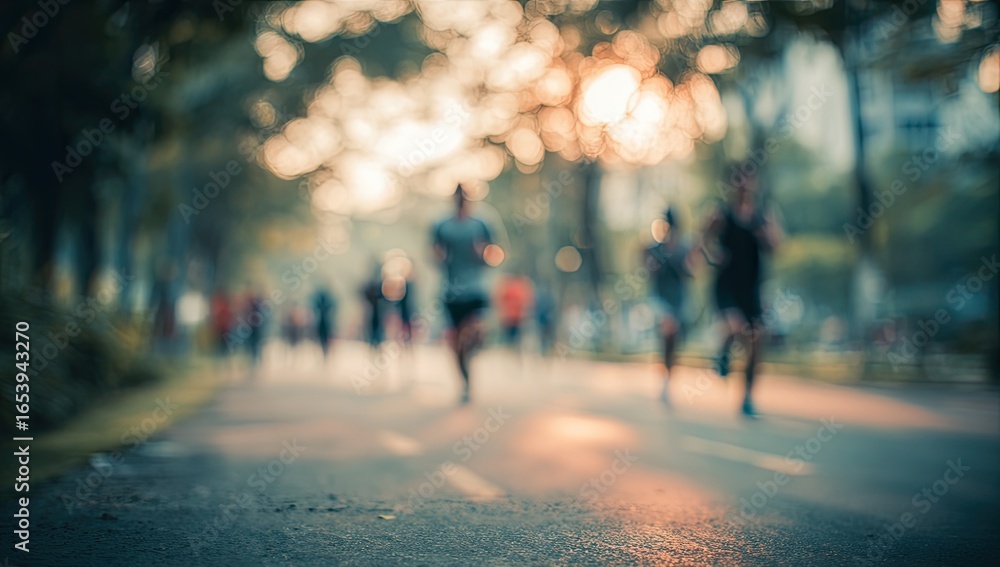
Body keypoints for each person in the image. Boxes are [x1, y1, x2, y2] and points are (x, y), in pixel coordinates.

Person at [700, 173, 782, 418]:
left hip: (752, 288)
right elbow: (703, 239)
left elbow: (778, 247)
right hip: (726, 287)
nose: (744, 185)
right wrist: (712, 255)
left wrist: (767, 237)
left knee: (756, 343)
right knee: (735, 328)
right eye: (739, 180)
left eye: (748, 180)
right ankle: (723, 355)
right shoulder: (721, 214)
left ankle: (747, 398)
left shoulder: (763, 215)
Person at [432, 185, 496, 403]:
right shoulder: (442, 226)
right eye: (457, 196)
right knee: (456, 344)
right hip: (451, 291)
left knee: (475, 330)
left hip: (475, 288)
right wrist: (440, 257)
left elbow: (494, 254)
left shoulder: (481, 225)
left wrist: (483, 254)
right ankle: (465, 380)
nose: (461, 200)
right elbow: (434, 254)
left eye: (464, 196)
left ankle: (476, 343)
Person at [645, 208, 693, 406]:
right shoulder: (654, 249)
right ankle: (664, 380)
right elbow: (649, 271)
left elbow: (691, 272)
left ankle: (667, 380)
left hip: (679, 300)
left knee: (673, 343)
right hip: (660, 299)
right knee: (668, 329)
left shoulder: (683, 249)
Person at [496, 274, 534, 350]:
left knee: (514, 336)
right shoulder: (520, 288)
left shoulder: (516, 287)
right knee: (510, 336)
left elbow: (526, 302)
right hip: (511, 317)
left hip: (515, 317)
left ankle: (511, 349)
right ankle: (509, 349)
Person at [312, 287, 336, 359]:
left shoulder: (324, 305)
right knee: (322, 341)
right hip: (323, 324)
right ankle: (324, 354)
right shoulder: (323, 305)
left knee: (324, 341)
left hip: (324, 324)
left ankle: (325, 354)